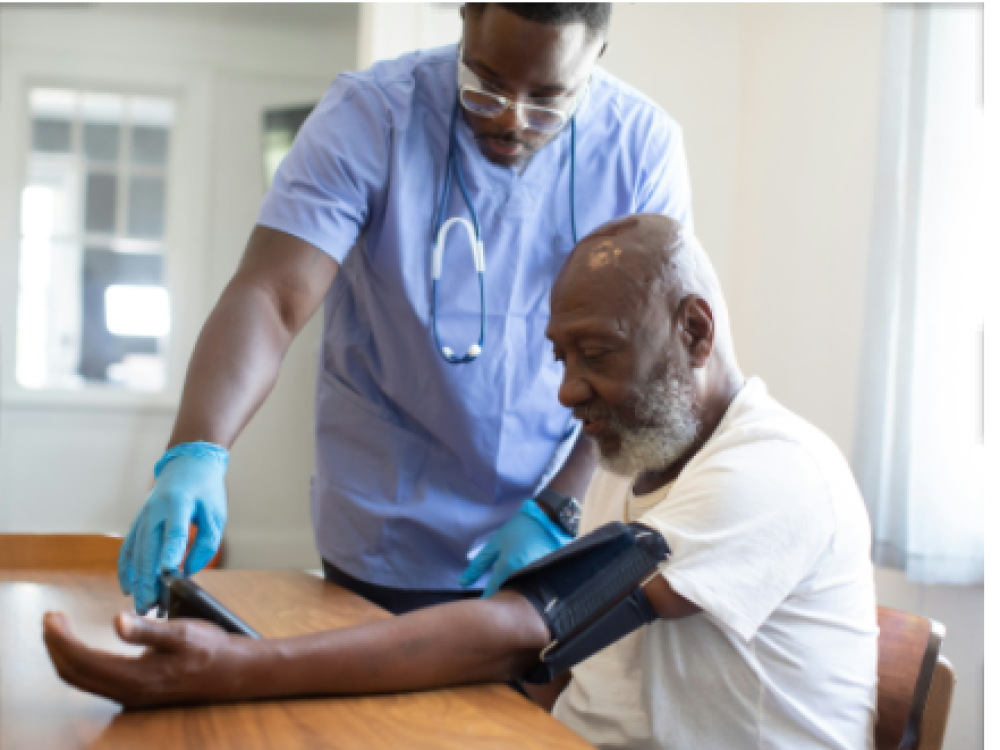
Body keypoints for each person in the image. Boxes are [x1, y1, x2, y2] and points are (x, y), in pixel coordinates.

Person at [45, 215, 878, 750]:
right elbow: (553, 663)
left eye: (596, 353)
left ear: (694, 331)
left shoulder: (772, 472)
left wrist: (239, 670)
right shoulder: (641, 462)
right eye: (561, 357)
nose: (566, 389)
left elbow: (530, 628)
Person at [117, 2, 694, 617]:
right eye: (487, 85)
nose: (512, 119)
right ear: (467, 20)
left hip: (550, 518)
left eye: (549, 99)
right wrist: (198, 450)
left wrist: (561, 505)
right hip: (383, 523)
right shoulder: (371, 114)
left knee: (511, 710)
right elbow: (272, 294)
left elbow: (646, 358)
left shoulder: (640, 146)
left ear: (595, 60)